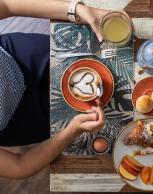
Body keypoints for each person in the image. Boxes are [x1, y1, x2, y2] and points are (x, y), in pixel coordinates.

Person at [0, 0, 114, 178]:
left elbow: (6, 5)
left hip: (15, 57)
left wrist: (75, 10)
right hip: (18, 118)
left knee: (98, 60)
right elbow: (19, 167)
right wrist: (72, 130)